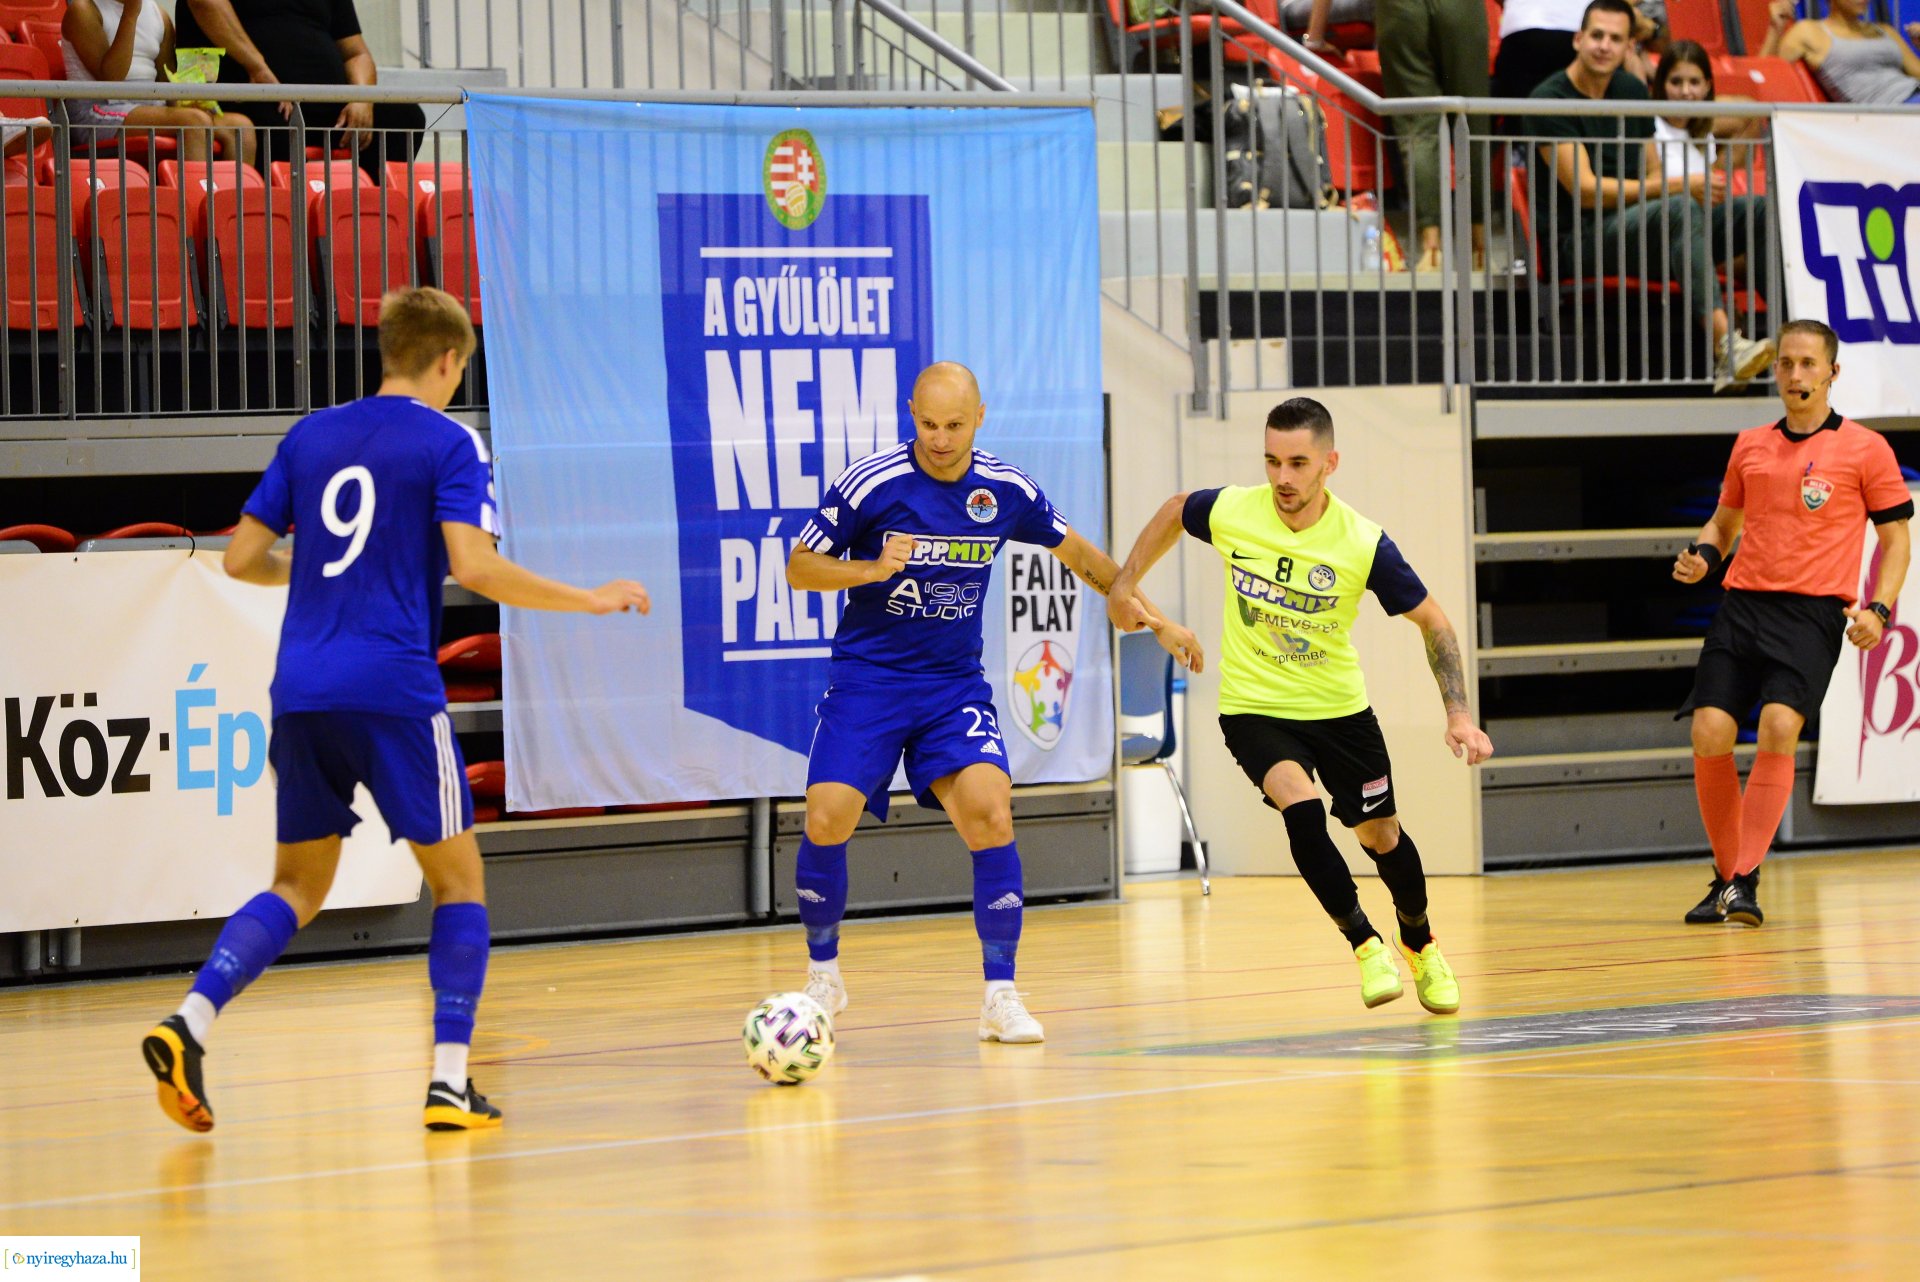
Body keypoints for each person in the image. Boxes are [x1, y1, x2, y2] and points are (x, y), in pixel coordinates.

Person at [141, 288, 651, 1134]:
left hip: (301, 687)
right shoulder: (451, 440)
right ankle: (449, 1081)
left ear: (388, 351)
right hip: (392, 689)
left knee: (297, 886)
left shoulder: (312, 434)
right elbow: (475, 568)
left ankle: (188, 1020)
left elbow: (239, 559)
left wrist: (305, 581)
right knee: (460, 882)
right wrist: (587, 599)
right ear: (450, 360)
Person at [784, 361, 1201, 1044]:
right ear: (909, 412)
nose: (940, 439)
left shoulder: (1004, 490)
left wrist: (1155, 620)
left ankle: (1000, 995)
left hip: (952, 688)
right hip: (870, 679)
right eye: (928, 424)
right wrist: (872, 569)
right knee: (827, 817)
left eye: (954, 425)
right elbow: (802, 566)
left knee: (992, 814)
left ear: (980, 418)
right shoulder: (873, 483)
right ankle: (824, 976)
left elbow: (1088, 561)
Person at [1108, 397, 1493, 1015]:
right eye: (1271, 461)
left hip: (1339, 711)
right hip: (1254, 707)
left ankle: (1419, 941)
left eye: (1297, 463)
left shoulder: (1362, 542)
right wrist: (1126, 582)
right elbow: (1178, 510)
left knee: (1381, 835)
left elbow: (1436, 623)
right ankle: (1365, 944)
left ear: (1329, 464)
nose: (1282, 478)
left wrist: (1458, 713)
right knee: (1302, 808)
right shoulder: (1236, 510)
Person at [1672, 319, 1911, 927]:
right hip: (1743, 605)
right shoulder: (1751, 443)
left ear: (1833, 372)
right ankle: (1730, 879)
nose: (1796, 375)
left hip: (1812, 612)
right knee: (1708, 733)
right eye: (1786, 363)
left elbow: (1895, 541)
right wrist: (1703, 555)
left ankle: (1742, 879)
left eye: (1808, 364)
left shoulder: (1865, 449)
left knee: (1779, 725)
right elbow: (1723, 525)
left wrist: (1879, 611)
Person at [1526, 0, 1775, 394]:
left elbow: (1653, 169)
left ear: (1629, 48)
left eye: (1615, 39)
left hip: (1632, 226)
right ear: (1577, 39)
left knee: (1757, 210)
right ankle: (1728, 345)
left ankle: (1794, 340)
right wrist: (1679, 188)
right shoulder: (1549, 98)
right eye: (1596, 36)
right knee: (1678, 207)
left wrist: (1672, 191)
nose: (1604, 46)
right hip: (1578, 239)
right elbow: (1586, 192)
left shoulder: (1630, 89)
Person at [174, 0, 425, 181]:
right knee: (279, 127)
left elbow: (356, 54)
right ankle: (284, 233)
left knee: (404, 117)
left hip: (326, 109)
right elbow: (203, 4)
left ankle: (371, 220)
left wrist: (361, 99)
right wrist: (258, 68)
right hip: (248, 98)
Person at [61, 0, 257, 164]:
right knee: (194, 122)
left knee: (241, 127)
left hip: (148, 105)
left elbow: (166, 81)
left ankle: (232, 209)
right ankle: (193, 207)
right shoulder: (82, 9)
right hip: (97, 110)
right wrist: (130, 14)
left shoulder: (159, 14)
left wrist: (191, 104)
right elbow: (111, 78)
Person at [1376, 0, 1489, 272]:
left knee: (1418, 127)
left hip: (1399, 9)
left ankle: (1432, 250)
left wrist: (1314, 36)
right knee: (1472, 119)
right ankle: (1480, 250)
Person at [1762, 0, 1920, 106]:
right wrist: (1775, 28)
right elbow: (1764, 76)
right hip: (1894, 113)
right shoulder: (1810, 31)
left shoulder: (1885, 30)